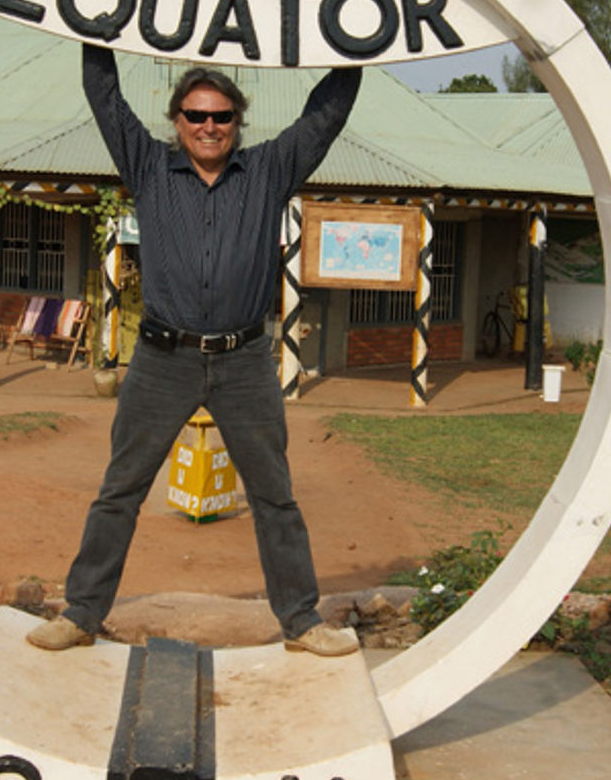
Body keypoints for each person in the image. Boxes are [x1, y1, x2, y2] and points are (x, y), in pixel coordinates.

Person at [27, 43, 362, 657]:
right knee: (120, 490)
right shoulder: (148, 166)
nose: (209, 126)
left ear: (238, 122)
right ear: (177, 121)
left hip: (244, 362)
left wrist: (355, 46)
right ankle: (81, 614)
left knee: (275, 497)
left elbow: (325, 116)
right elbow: (105, 97)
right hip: (163, 360)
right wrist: (94, 29)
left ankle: (300, 622)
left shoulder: (268, 171)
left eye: (221, 116)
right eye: (196, 115)